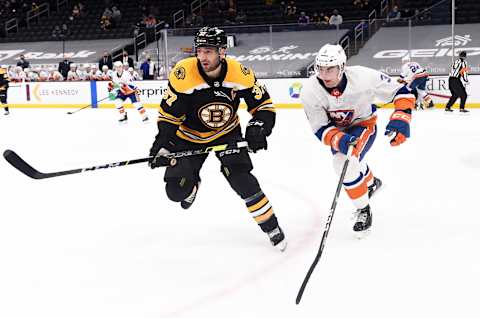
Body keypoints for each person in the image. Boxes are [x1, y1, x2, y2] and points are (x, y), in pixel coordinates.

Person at [148, 27, 286, 251]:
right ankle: (193, 184)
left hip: (227, 134)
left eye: (209, 51)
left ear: (222, 52)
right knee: (175, 192)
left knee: (243, 180)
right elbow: (168, 116)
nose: (202, 57)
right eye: (200, 50)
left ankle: (272, 227)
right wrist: (163, 144)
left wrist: (259, 127)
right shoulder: (184, 74)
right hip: (189, 137)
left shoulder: (239, 74)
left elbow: (263, 106)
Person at [300, 44, 415, 235]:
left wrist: (402, 117)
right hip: (337, 131)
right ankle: (371, 182)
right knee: (353, 162)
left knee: (342, 162)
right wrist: (340, 139)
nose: (324, 74)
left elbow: (401, 92)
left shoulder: (363, 77)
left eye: (330, 68)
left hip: (364, 124)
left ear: (342, 66)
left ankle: (364, 209)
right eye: (320, 68)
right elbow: (320, 127)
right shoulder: (310, 91)